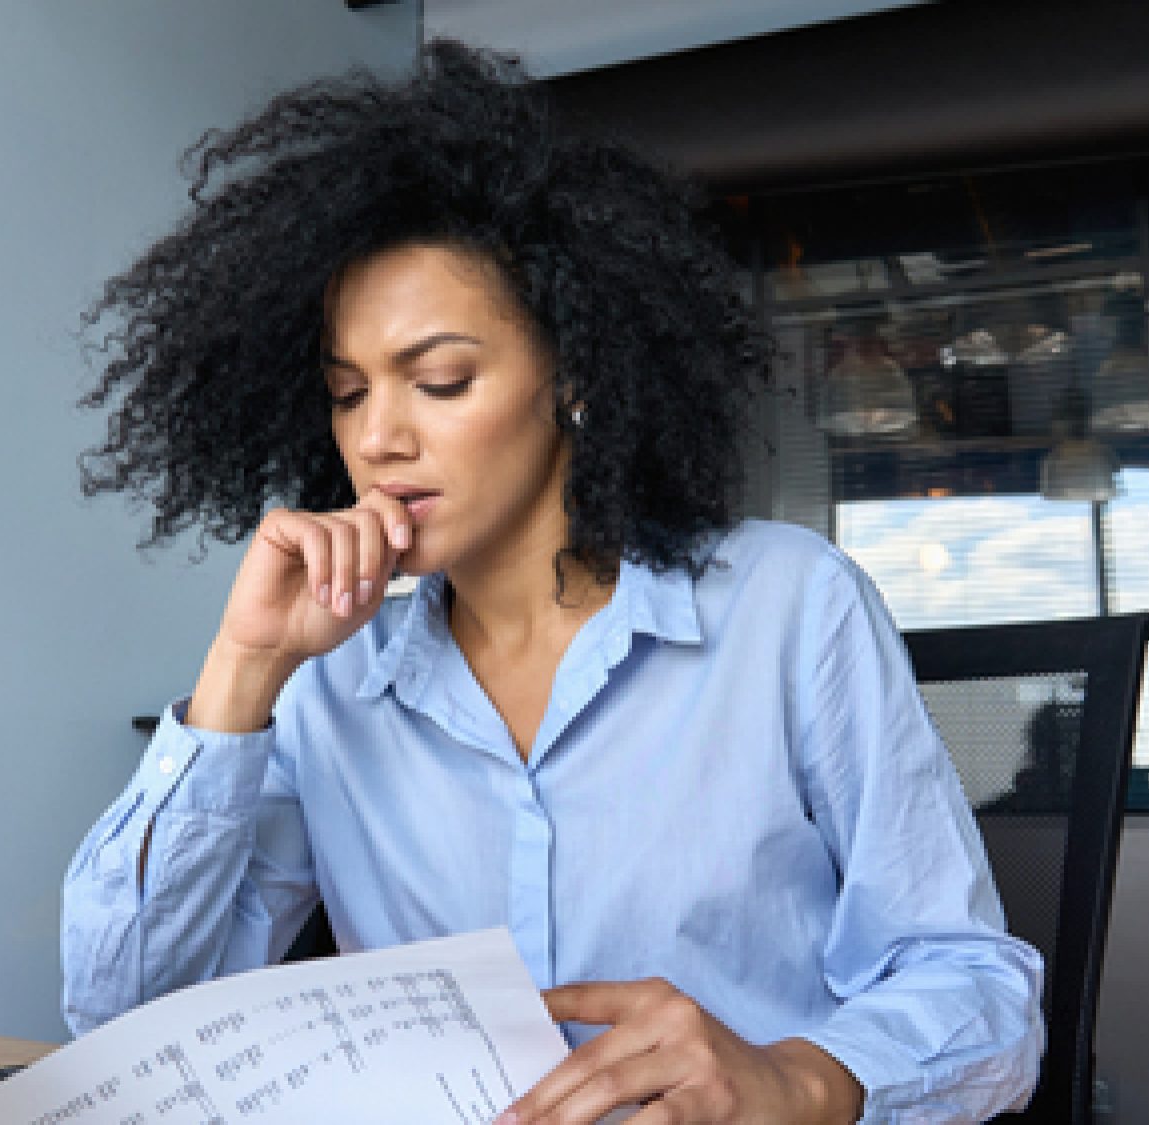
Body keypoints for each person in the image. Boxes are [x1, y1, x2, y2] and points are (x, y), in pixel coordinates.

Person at [62, 42, 1043, 1124]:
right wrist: (243, 668)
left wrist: (793, 1081)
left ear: (572, 375)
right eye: (346, 395)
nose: (379, 437)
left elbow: (977, 989)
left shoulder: (787, 608)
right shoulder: (333, 689)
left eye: (439, 380)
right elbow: (122, 1019)